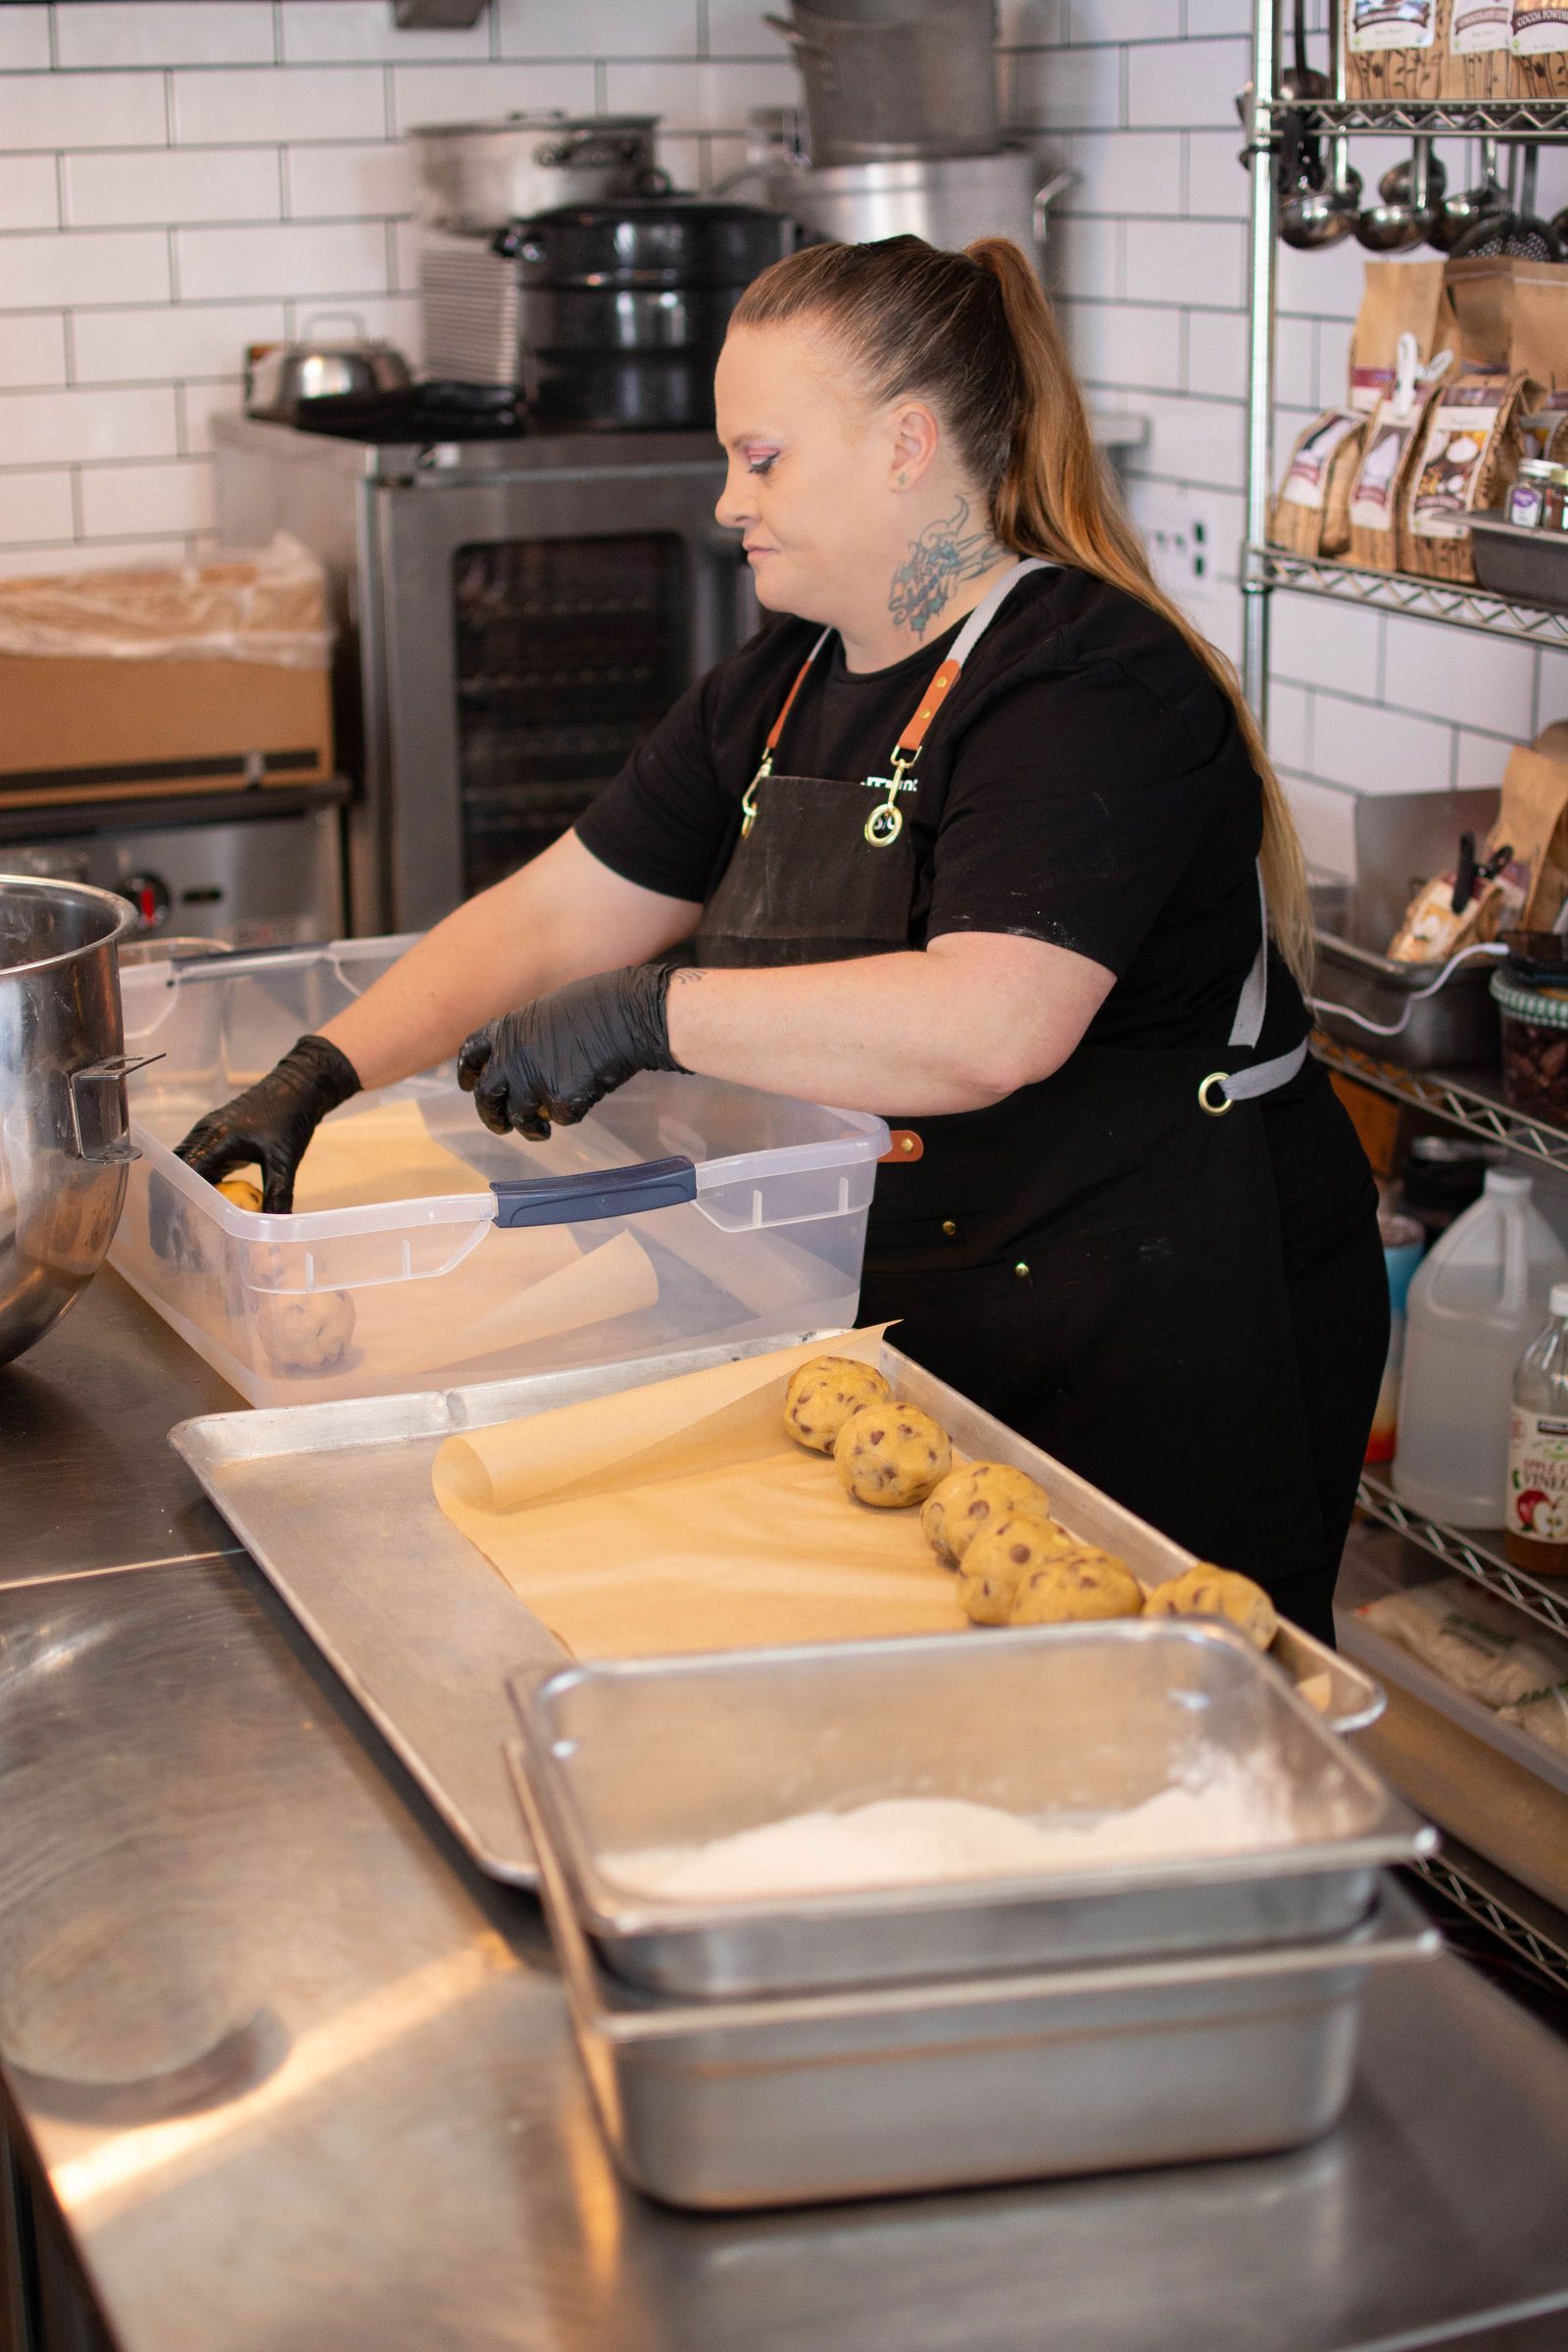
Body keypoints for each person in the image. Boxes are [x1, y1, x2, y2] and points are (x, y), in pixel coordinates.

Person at [176, 234, 1387, 1642]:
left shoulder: (1087, 681)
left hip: (1168, 1309)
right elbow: (560, 910)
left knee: (1180, 1712)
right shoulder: (789, 675)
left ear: (905, 446)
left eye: (762, 459)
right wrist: (320, 1072)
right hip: (931, 1293)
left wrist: (652, 1013)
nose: (724, 500)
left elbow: (992, 1021)